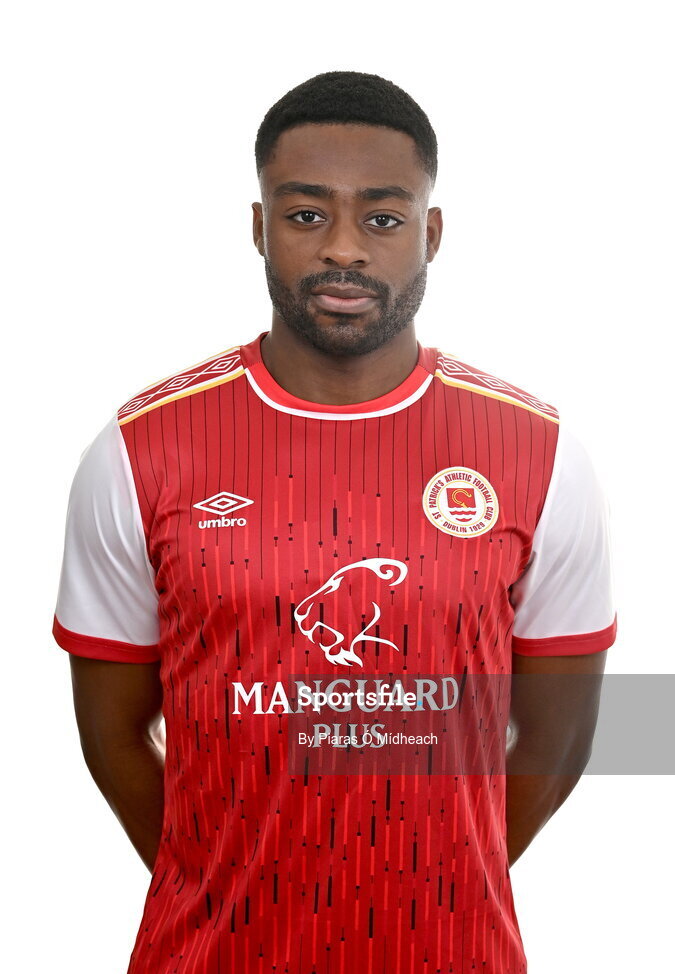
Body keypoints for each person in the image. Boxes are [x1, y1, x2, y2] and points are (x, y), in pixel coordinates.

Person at [52, 70, 617, 974]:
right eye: (306, 214)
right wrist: (227, 891)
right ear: (259, 227)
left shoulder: (538, 454)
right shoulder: (140, 449)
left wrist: (439, 886)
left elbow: (559, 736)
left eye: (383, 218)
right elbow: (112, 733)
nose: (343, 248)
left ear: (430, 233)